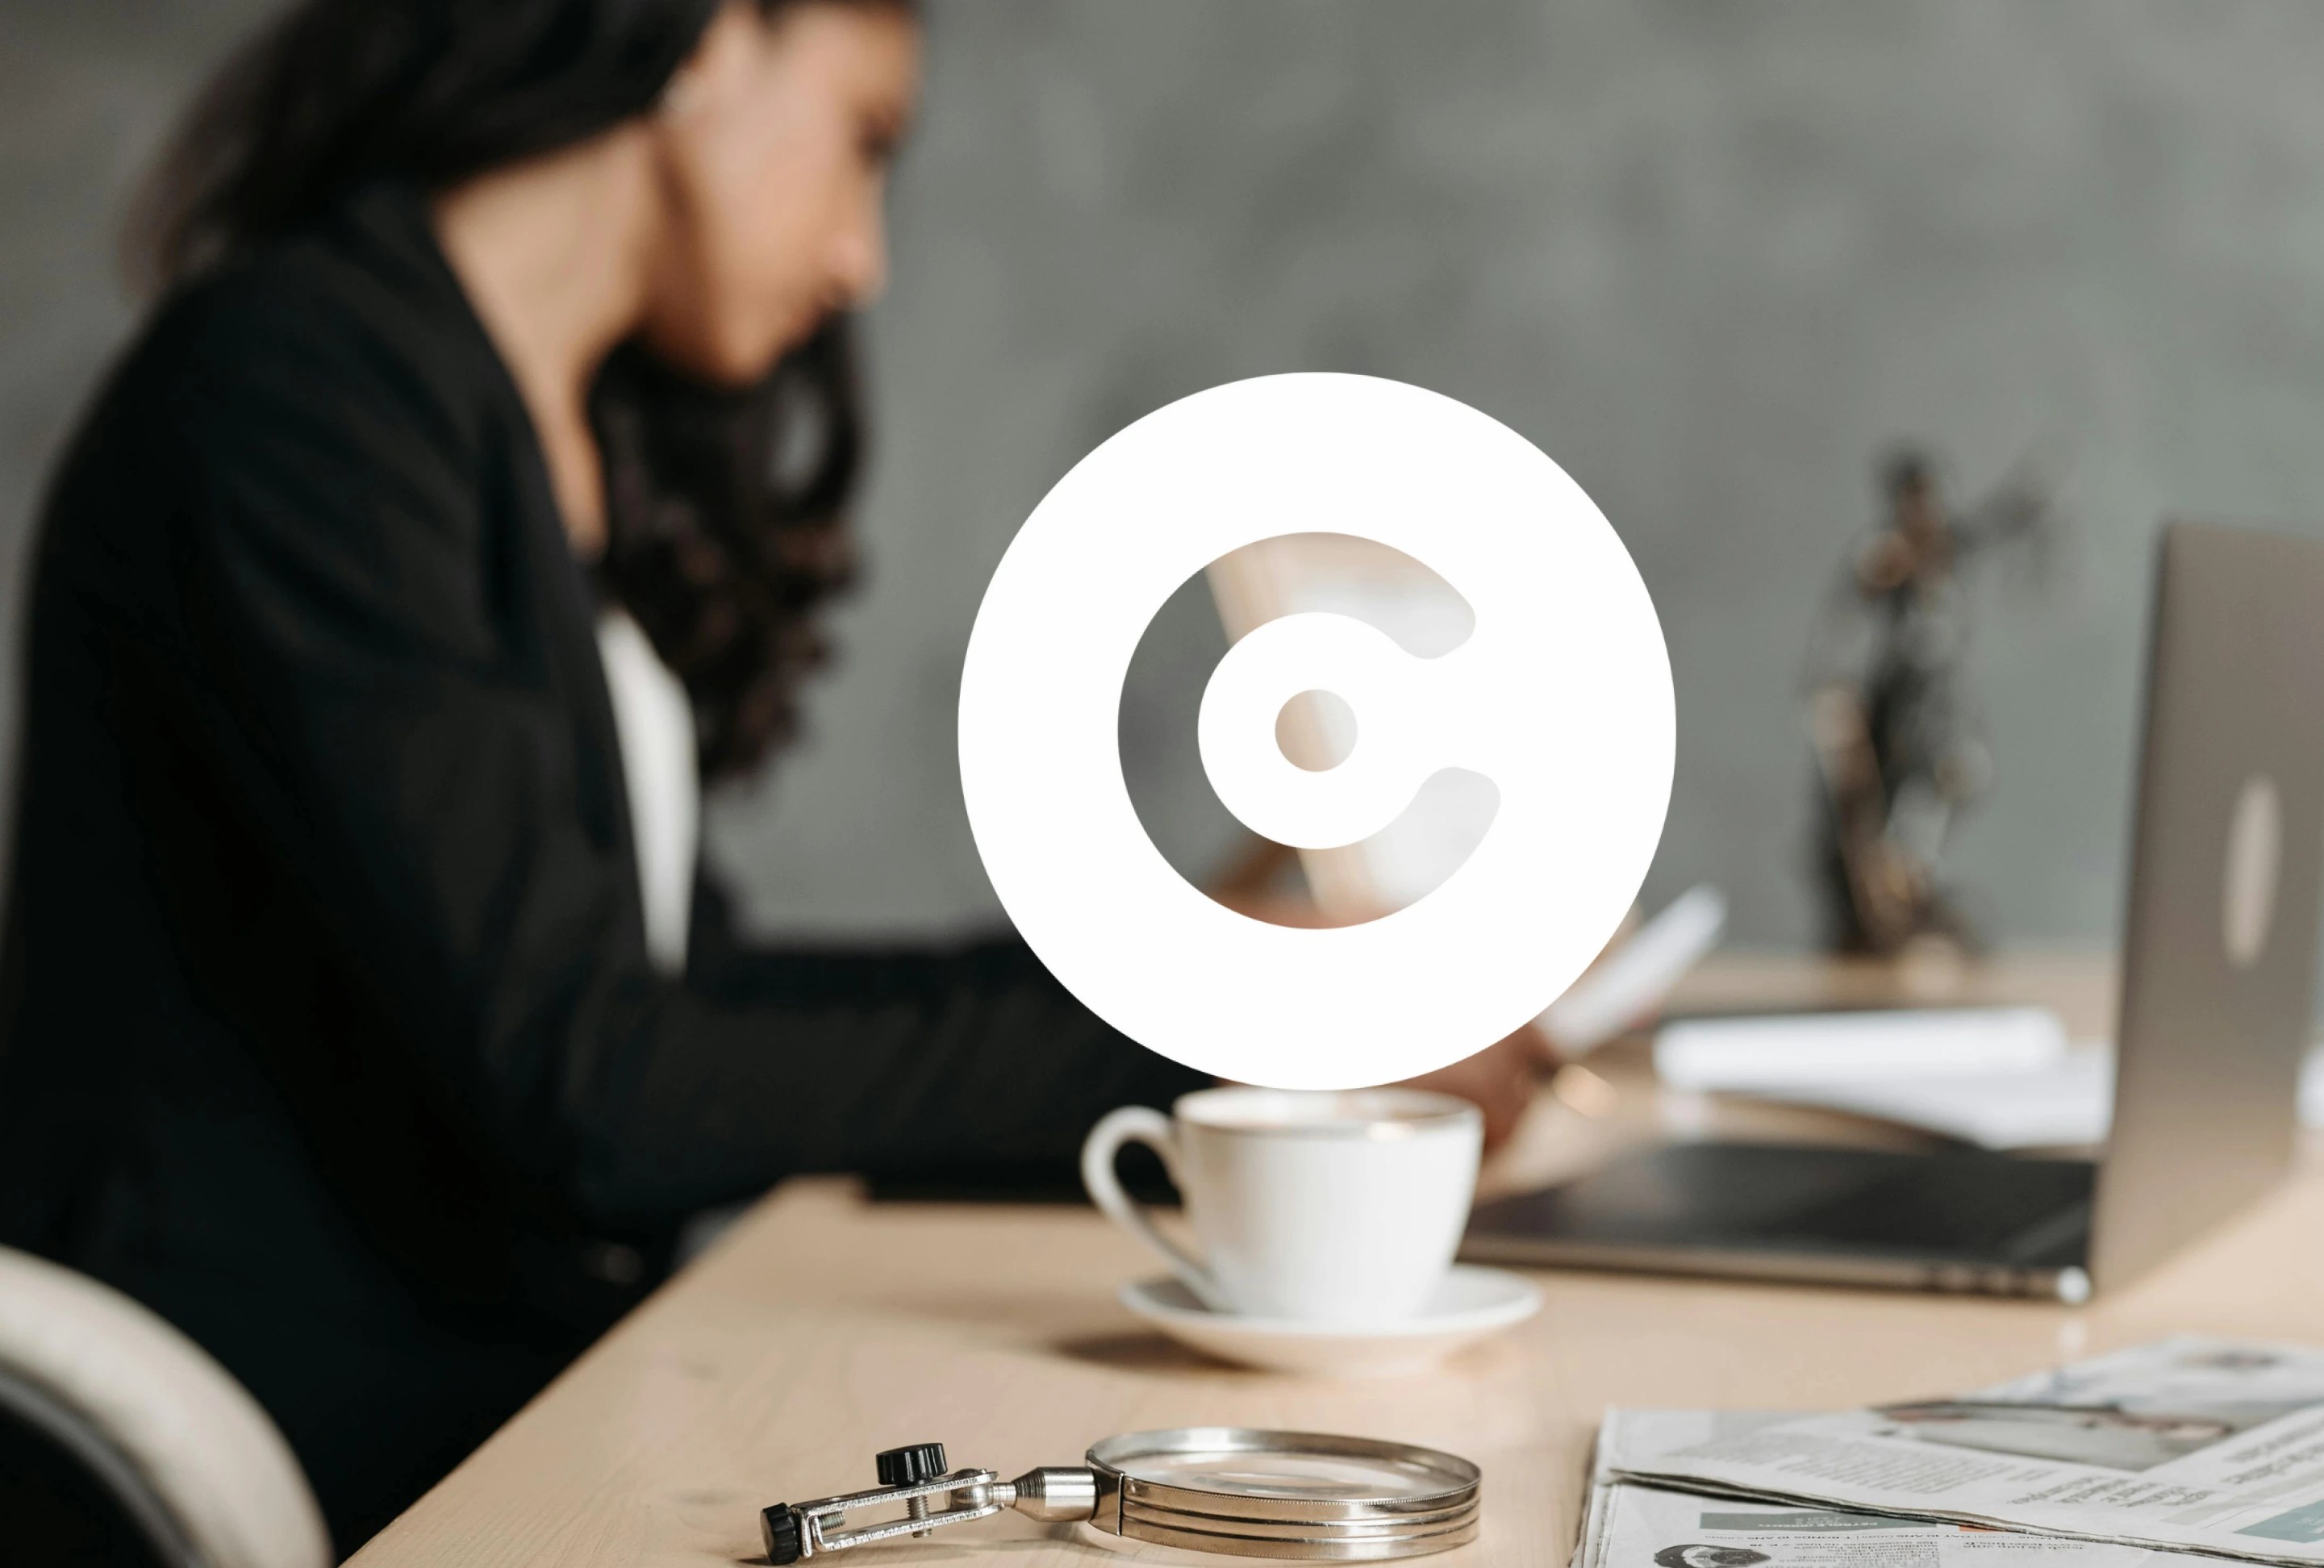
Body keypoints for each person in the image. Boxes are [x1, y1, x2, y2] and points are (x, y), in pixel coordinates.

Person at [0, 0, 1554, 1547]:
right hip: (326, 1409)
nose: (859, 259)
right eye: (863, 138)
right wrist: (1228, 1020)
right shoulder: (302, 391)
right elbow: (592, 1082)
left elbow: (684, 994)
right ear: (704, 39)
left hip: (519, 1364)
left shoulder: (521, 418)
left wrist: (1198, 974)